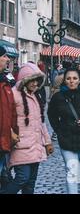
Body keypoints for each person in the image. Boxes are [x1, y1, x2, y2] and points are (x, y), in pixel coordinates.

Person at [4, 63, 54, 194]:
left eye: (37, 80)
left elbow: (41, 122)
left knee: (30, 183)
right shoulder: (14, 94)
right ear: (24, 80)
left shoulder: (36, 96)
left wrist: (47, 142)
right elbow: (5, 117)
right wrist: (10, 134)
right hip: (20, 145)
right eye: (32, 80)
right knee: (22, 178)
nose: (35, 84)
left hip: (36, 145)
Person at [0, 46, 19, 191]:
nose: (8, 59)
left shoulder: (6, 81)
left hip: (5, 140)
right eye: (5, 56)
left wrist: (13, 130)